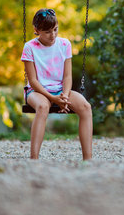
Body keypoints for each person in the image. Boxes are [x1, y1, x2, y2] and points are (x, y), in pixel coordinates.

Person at [21, 8, 93, 160]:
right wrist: (53, 99)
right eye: (47, 32)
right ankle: (34, 158)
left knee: (86, 107)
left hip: (60, 90)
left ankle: (88, 159)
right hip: (36, 91)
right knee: (43, 107)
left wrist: (65, 97)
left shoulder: (64, 44)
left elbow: (67, 76)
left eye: (55, 29)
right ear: (36, 30)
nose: (52, 35)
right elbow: (33, 81)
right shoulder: (29, 47)